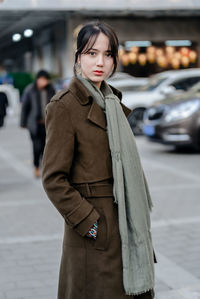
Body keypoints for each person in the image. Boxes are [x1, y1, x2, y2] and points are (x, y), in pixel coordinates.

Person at [42, 22, 156, 299]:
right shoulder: (64, 106)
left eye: (108, 55)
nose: (100, 62)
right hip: (94, 237)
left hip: (125, 229)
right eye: (92, 53)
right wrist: (91, 224)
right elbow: (53, 179)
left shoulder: (112, 103)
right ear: (78, 56)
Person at [20, 70, 55, 178]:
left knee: (47, 147)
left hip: (47, 124)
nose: (44, 82)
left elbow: (56, 105)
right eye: (42, 79)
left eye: (46, 80)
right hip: (34, 124)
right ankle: (36, 167)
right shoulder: (30, 90)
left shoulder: (51, 89)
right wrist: (23, 122)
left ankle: (45, 167)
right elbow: (25, 107)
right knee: (37, 146)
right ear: (38, 79)